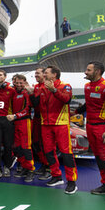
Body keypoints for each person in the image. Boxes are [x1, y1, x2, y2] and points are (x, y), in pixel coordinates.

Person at [75, 61, 105, 204]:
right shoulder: (87, 86)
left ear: (98, 71)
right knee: (99, 158)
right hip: (90, 126)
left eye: (88, 70)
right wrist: (75, 112)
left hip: (103, 128)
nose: (85, 72)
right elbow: (87, 105)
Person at [31, 65, 78, 194]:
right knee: (49, 152)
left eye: (46, 73)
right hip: (45, 124)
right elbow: (36, 105)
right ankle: (56, 176)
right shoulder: (41, 88)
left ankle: (72, 182)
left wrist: (53, 90)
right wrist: (31, 94)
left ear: (54, 75)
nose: (44, 75)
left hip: (61, 124)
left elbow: (67, 100)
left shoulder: (65, 85)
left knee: (66, 153)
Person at [7, 74, 35, 182]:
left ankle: (31, 170)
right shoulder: (13, 92)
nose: (18, 85)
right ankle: (24, 167)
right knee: (17, 148)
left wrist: (15, 116)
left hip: (25, 122)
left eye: (21, 83)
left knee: (26, 147)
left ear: (24, 83)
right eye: (17, 83)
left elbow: (27, 109)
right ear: (14, 82)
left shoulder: (26, 93)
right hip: (15, 122)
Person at [26, 68, 51, 180]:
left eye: (38, 73)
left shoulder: (49, 86)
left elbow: (39, 102)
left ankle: (49, 168)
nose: (36, 75)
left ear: (45, 75)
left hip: (46, 119)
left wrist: (31, 94)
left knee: (46, 144)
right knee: (36, 143)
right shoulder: (36, 87)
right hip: (36, 118)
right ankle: (43, 164)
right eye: (35, 73)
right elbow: (33, 103)